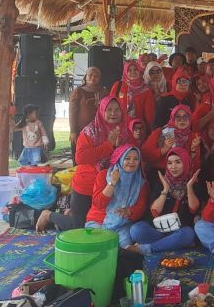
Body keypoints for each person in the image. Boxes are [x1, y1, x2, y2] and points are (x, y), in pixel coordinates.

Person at [37, 96, 129, 232]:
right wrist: (108, 145)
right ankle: (48, 215)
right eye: (109, 110)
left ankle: (69, 213)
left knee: (105, 224)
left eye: (117, 109)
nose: (113, 113)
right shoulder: (90, 132)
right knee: (79, 226)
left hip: (110, 185)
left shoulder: (125, 130)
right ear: (102, 111)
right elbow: (81, 158)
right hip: (86, 184)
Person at [127, 148, 200, 253]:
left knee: (188, 234)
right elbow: (155, 211)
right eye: (169, 163)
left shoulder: (193, 183)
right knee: (136, 230)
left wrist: (189, 188)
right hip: (157, 230)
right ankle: (171, 243)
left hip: (180, 230)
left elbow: (194, 209)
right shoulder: (161, 182)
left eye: (178, 162)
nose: (173, 167)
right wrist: (165, 189)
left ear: (186, 163)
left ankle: (147, 248)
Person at [85, 144, 149, 249]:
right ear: (120, 159)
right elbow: (98, 203)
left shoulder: (140, 182)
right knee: (99, 246)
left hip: (123, 223)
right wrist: (112, 183)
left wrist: (129, 211)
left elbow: (141, 208)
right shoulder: (104, 175)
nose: (132, 162)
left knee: (125, 248)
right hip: (99, 220)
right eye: (127, 158)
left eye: (136, 159)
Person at [142, 105, 200, 171]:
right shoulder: (160, 132)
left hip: (182, 174)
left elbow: (196, 167)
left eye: (185, 116)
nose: (182, 119)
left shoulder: (193, 137)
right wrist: (163, 149)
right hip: (160, 172)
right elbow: (145, 156)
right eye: (178, 116)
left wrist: (193, 151)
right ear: (172, 118)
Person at [69, 67, 108, 162]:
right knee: (81, 158)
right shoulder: (78, 91)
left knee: (97, 158)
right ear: (85, 76)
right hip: (81, 131)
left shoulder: (104, 92)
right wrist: (73, 131)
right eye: (90, 75)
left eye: (96, 76)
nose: (93, 77)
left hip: (99, 132)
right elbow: (72, 112)